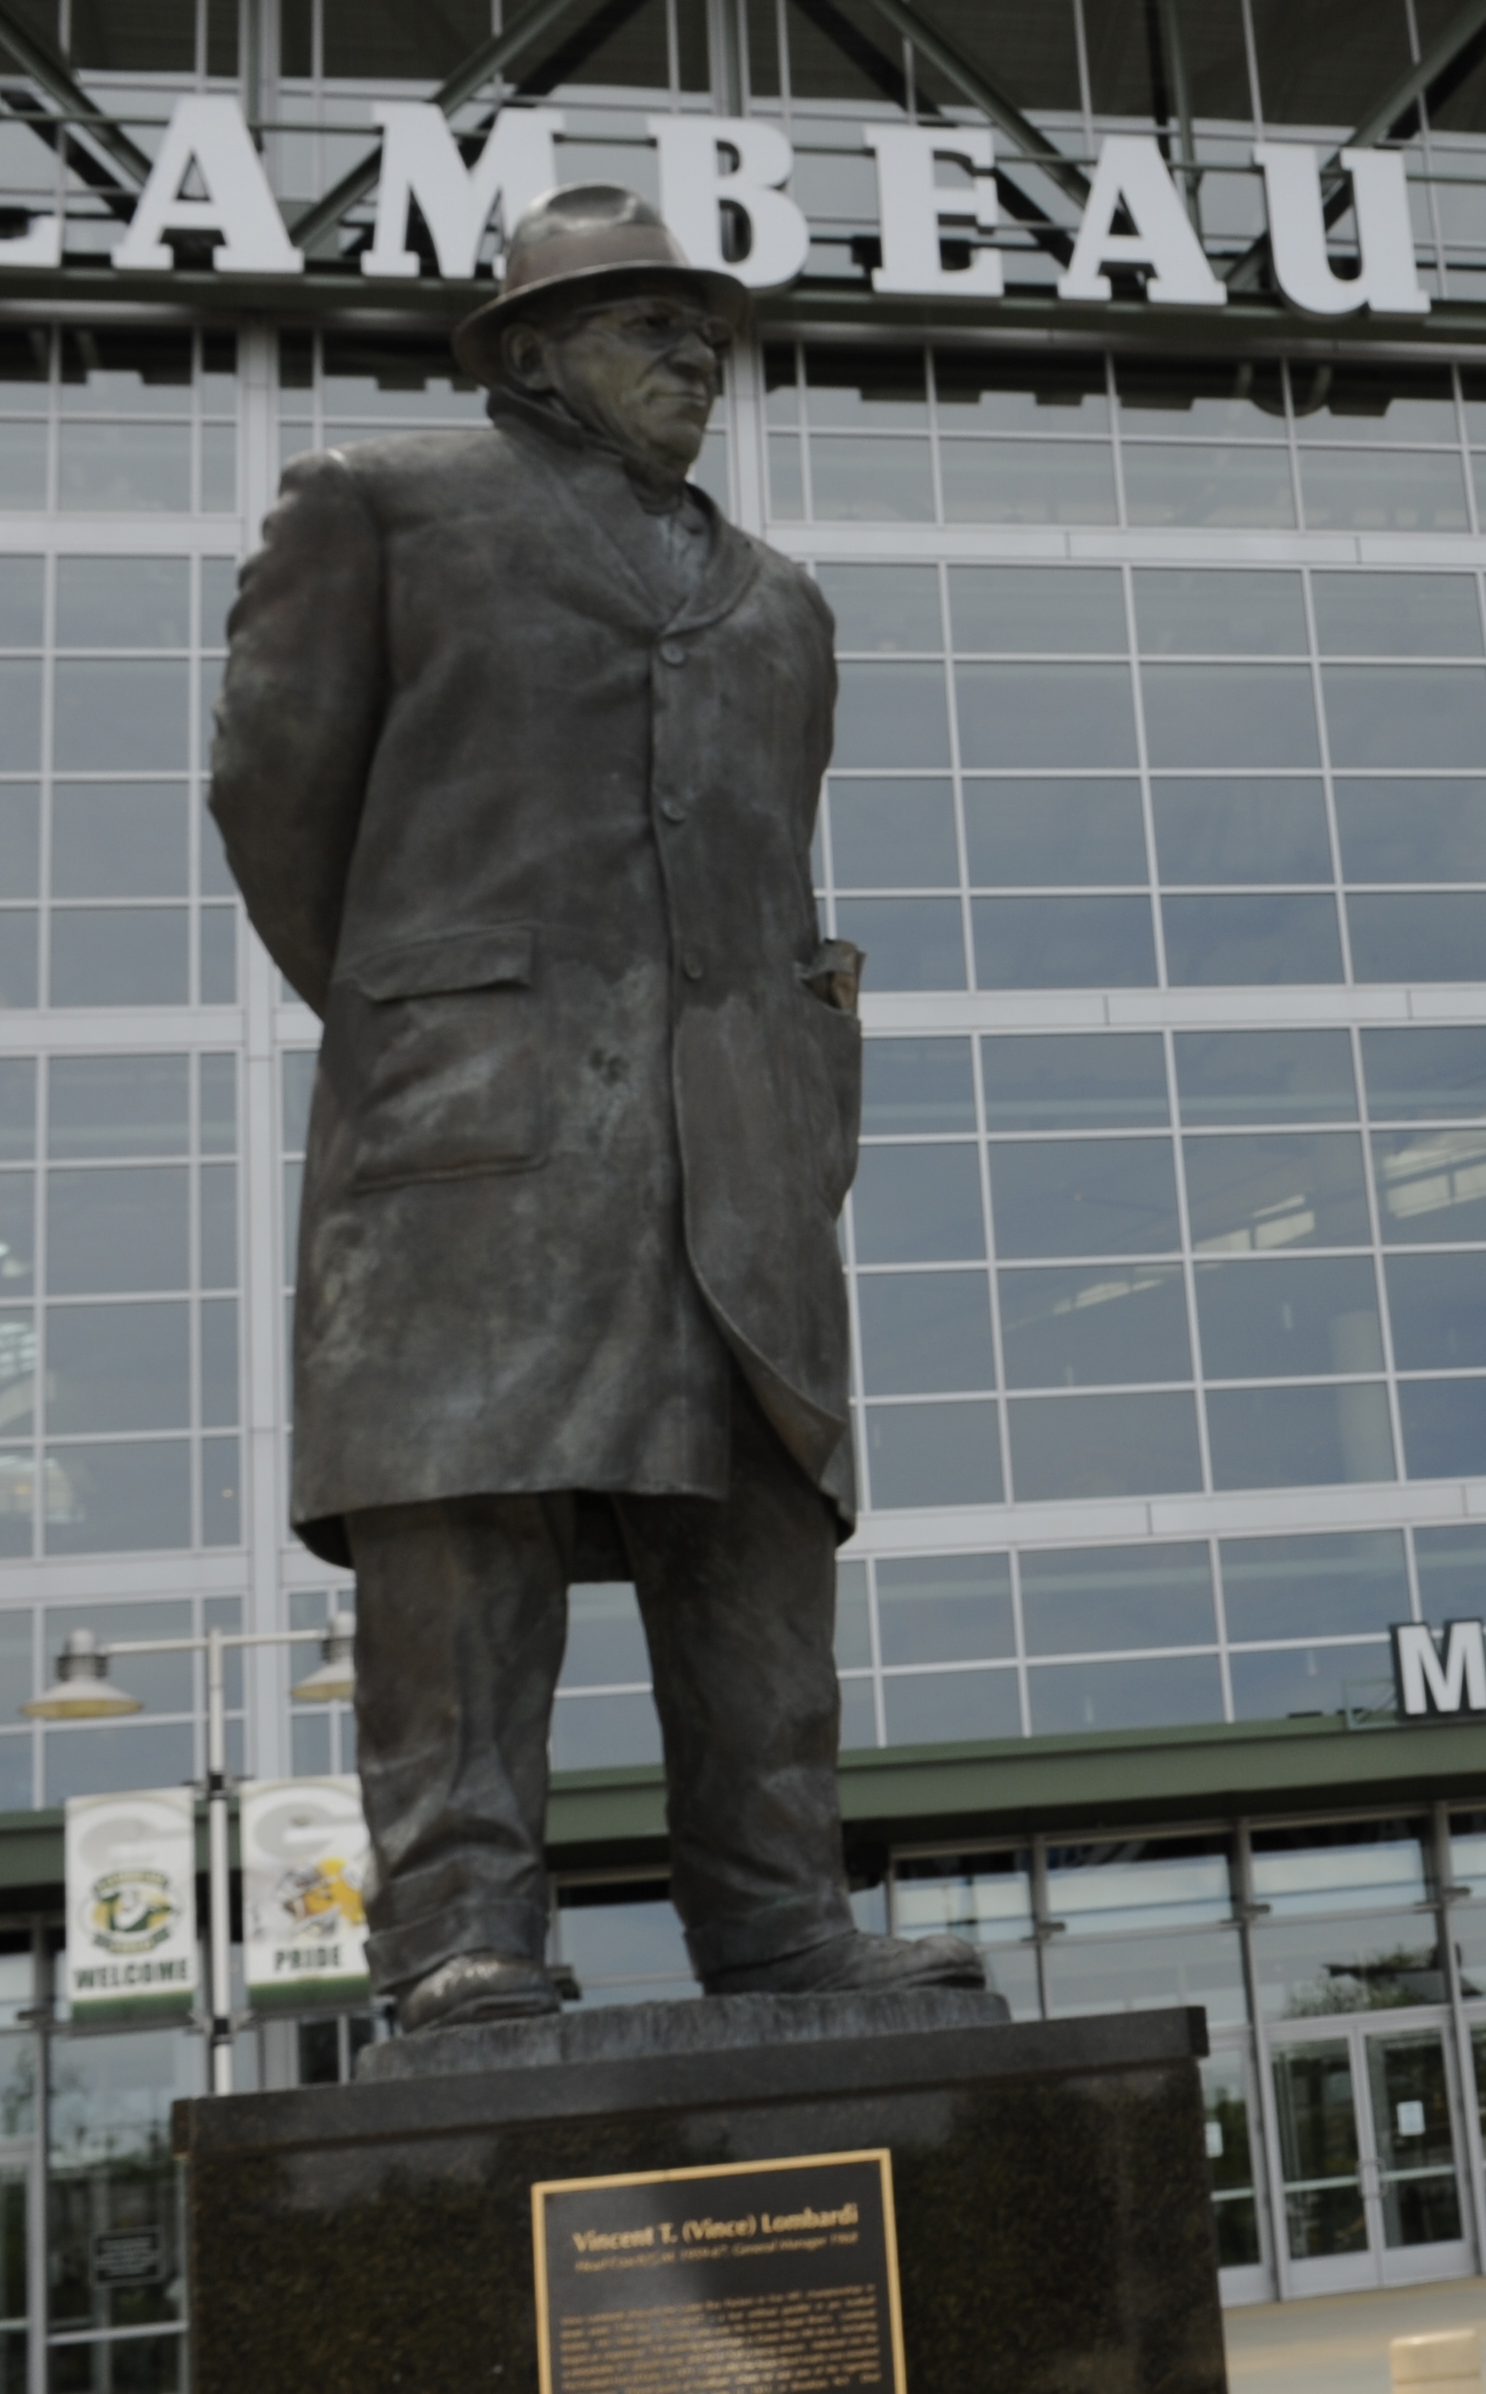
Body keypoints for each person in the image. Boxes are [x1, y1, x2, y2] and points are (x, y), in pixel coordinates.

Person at [206, 187, 976, 2033]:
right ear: (534, 354)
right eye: (649, 326)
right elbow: (275, 802)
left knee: (758, 1539)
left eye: (707, 331)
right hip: (474, 1122)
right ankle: (461, 1927)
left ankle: (783, 1921)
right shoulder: (381, 506)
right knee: (464, 1526)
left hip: (739, 1147)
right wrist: (438, 1010)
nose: (696, 358)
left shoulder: (784, 604)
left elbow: (767, 873)